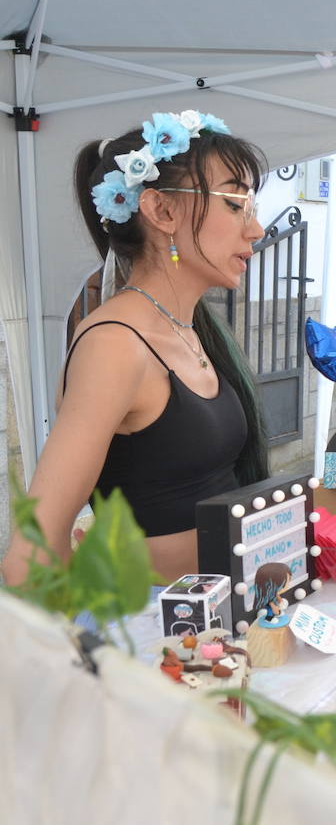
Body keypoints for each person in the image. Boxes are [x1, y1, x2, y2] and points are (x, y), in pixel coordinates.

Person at [1, 110, 270, 586]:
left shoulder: (192, 330)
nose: (256, 228)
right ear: (161, 211)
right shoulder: (114, 346)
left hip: (229, 618)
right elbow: (33, 551)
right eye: (235, 203)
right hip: (160, 636)